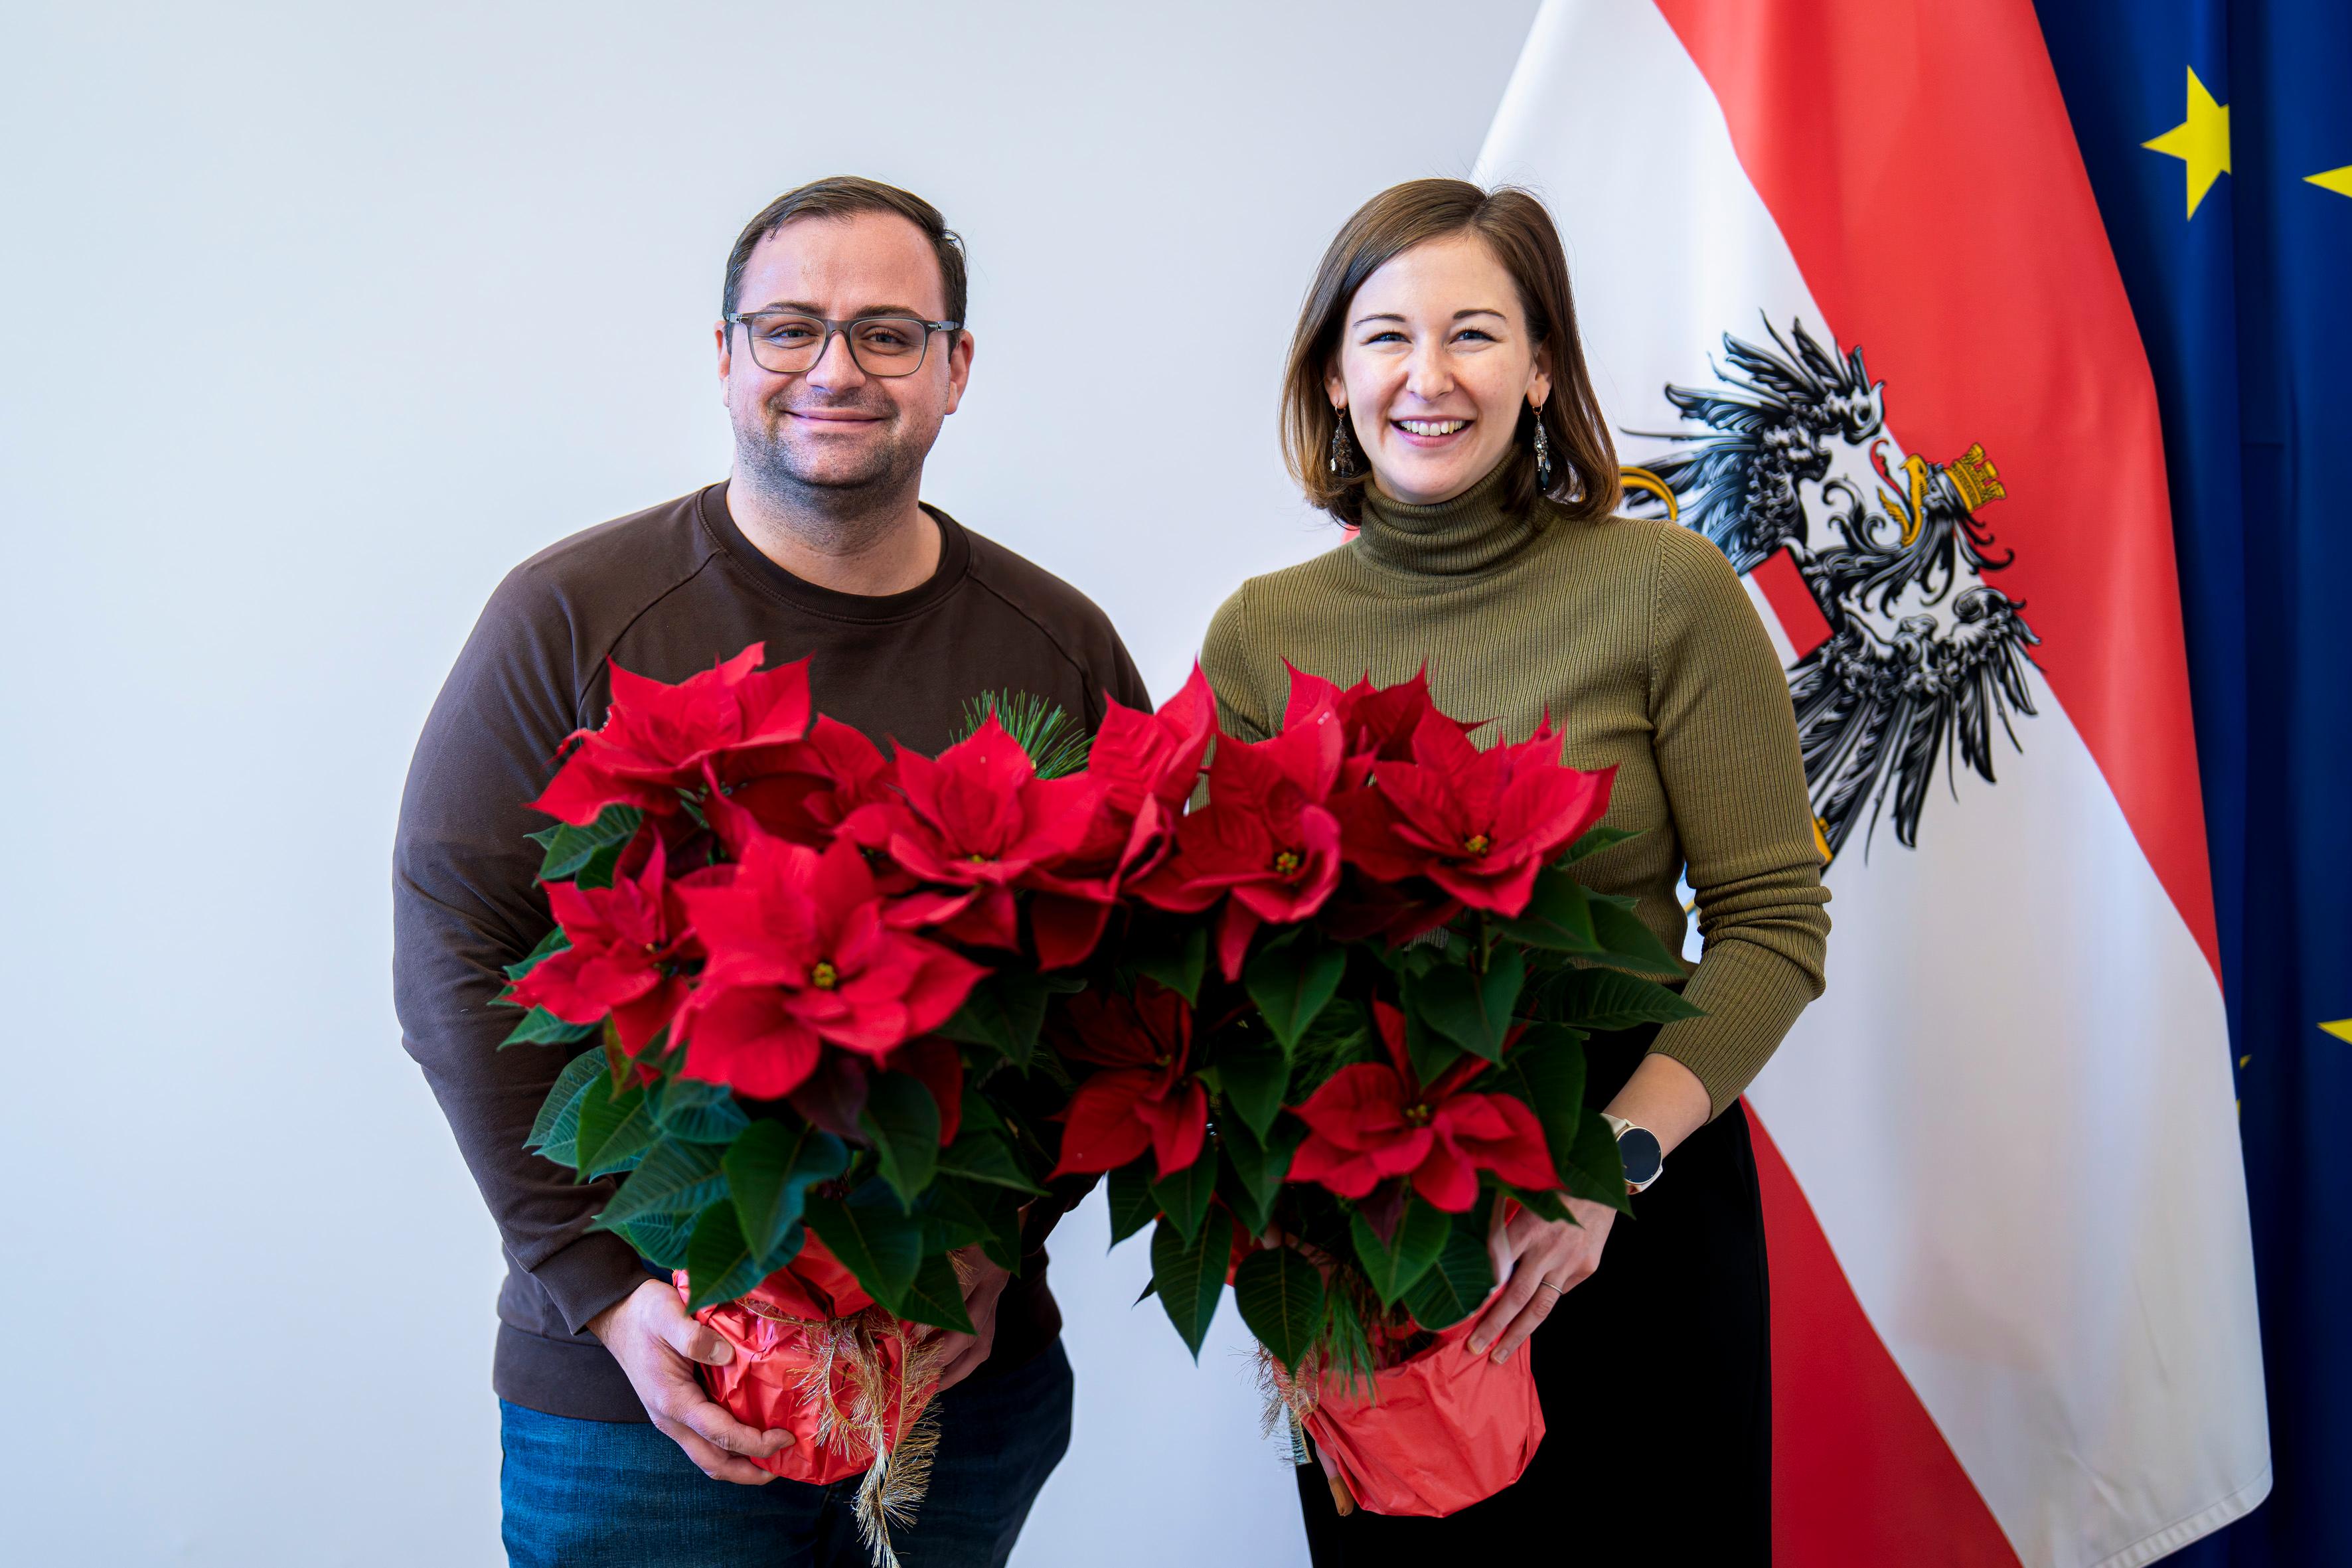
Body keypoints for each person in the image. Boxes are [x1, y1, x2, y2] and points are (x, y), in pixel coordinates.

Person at [394, 176, 1148, 1567]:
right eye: (790, 326)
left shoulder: (1055, 641)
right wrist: (599, 1286)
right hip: (645, 1387)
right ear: (726, 356)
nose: (835, 370)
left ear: (954, 366)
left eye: (888, 332)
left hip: (955, 1385)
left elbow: (1125, 981)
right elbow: (455, 946)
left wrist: (996, 1253)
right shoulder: (569, 613)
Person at [1198, 179, 1830, 1563]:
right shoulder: (1258, 634)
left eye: (1474, 333)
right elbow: (1221, 950)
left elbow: (1771, 925)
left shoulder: (1665, 590)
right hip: (1368, 1236)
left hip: (1628, 1208)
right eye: (1384, 336)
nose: (1427, 376)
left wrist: (1607, 1168)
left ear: (1542, 368)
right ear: (1331, 371)